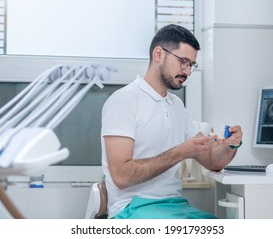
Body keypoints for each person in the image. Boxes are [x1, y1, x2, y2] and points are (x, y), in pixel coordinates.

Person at [101, 24, 243, 219]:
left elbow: (212, 161)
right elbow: (122, 176)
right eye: (183, 62)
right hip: (131, 207)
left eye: (191, 65)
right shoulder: (124, 101)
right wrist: (181, 152)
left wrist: (231, 145)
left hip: (174, 205)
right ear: (158, 54)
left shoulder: (176, 105)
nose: (188, 72)